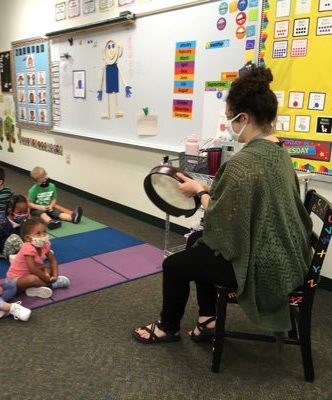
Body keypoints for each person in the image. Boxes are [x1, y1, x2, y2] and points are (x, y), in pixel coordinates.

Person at [133, 65, 313, 343]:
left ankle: (168, 327)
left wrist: (199, 195)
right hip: (288, 252)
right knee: (199, 243)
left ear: (244, 117)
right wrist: (203, 187)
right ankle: (207, 319)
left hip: (263, 265)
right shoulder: (278, 152)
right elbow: (247, 193)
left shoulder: (243, 162)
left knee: (176, 265)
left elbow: (220, 216)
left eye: (230, 118)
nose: (229, 126)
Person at [6, 217, 70, 298]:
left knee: (49, 267)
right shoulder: (28, 248)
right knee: (32, 279)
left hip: (31, 273)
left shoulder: (45, 245)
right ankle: (52, 285)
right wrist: (47, 279)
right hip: (16, 279)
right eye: (38, 233)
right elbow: (32, 268)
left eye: (44, 232)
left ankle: (34, 289)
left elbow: (53, 260)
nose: (42, 236)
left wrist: (55, 275)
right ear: (28, 238)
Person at [0, 194, 28, 260]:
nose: (23, 215)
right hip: (7, 249)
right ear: (10, 211)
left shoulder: (24, 221)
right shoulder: (2, 223)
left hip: (21, 245)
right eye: (19, 212)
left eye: (25, 212)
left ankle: (26, 253)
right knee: (14, 238)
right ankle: (19, 256)